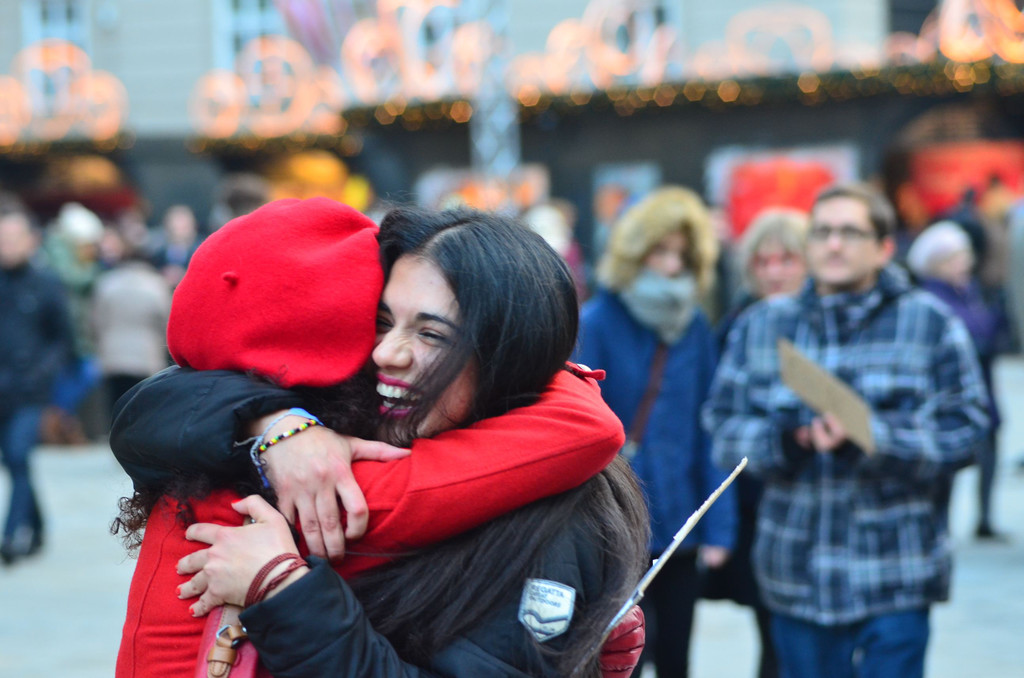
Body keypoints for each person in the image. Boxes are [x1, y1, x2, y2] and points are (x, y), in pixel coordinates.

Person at [110, 198, 648, 677]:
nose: (386, 353)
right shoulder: (340, 426)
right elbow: (155, 410)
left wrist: (284, 590)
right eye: (383, 322)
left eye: (432, 334)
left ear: (509, 356)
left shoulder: (552, 506)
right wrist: (273, 426)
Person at [703, 183, 989, 678]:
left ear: (884, 247)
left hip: (895, 574)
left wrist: (874, 437)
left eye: (851, 232)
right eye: (822, 232)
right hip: (796, 575)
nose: (834, 244)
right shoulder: (762, 325)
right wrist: (789, 441)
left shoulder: (930, 324)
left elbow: (967, 429)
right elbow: (722, 427)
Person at [574, 186, 737, 678]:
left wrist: (719, 525)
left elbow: (708, 428)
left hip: (682, 519)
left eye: (681, 255)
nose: (671, 265)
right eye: (659, 251)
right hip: (617, 521)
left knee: (677, 656)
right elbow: (581, 427)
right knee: (622, 659)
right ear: (634, 251)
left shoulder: (693, 327)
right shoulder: (597, 321)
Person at [705, 207, 810, 678]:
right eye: (763, 262)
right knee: (774, 633)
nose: (774, 272)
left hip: (817, 502)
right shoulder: (738, 325)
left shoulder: (827, 326)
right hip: (755, 504)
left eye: (786, 260)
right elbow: (719, 418)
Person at [906, 221, 1004, 540]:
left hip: (982, 388)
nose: (965, 264)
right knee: (950, 466)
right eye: (956, 258)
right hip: (949, 396)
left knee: (988, 456)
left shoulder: (967, 291)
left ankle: (985, 518)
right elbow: (979, 335)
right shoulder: (933, 300)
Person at [0, 208, 75, 564]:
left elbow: (63, 339)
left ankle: (11, 534)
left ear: (31, 241)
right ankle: (38, 526)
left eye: (13, 239)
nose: (7, 246)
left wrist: (43, 373)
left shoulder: (46, 283)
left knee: (17, 454)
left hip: (30, 391)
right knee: (15, 463)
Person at [91, 231, 172, 415]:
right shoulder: (157, 285)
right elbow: (167, 321)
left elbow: (96, 321)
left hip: (113, 358)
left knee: (116, 410)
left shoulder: (106, 283)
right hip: (147, 358)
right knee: (143, 412)